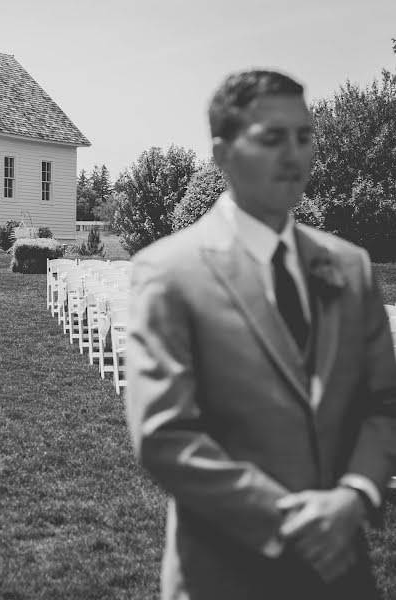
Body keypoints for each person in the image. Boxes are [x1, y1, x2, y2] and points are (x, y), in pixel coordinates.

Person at [125, 69, 396, 600]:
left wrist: (353, 495)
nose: (294, 154)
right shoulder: (169, 271)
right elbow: (165, 435)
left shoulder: (350, 265)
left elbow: (384, 400)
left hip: (342, 573)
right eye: (272, 138)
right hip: (223, 572)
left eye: (305, 135)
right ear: (223, 154)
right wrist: (290, 523)